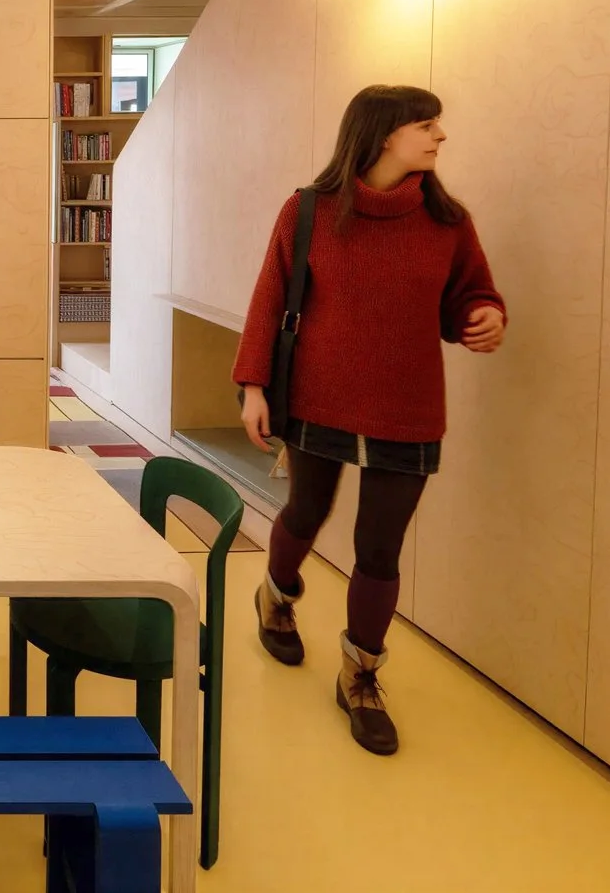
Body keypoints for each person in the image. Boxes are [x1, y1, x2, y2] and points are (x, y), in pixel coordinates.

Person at [231, 84, 506, 756]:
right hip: (317, 396)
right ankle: (276, 596)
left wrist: (486, 317)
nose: (440, 137)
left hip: (407, 407)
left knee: (379, 549)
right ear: (384, 134)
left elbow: (469, 295)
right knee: (304, 512)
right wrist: (253, 387)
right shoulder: (309, 213)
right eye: (426, 126)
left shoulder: (447, 221)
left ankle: (360, 674)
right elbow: (269, 302)